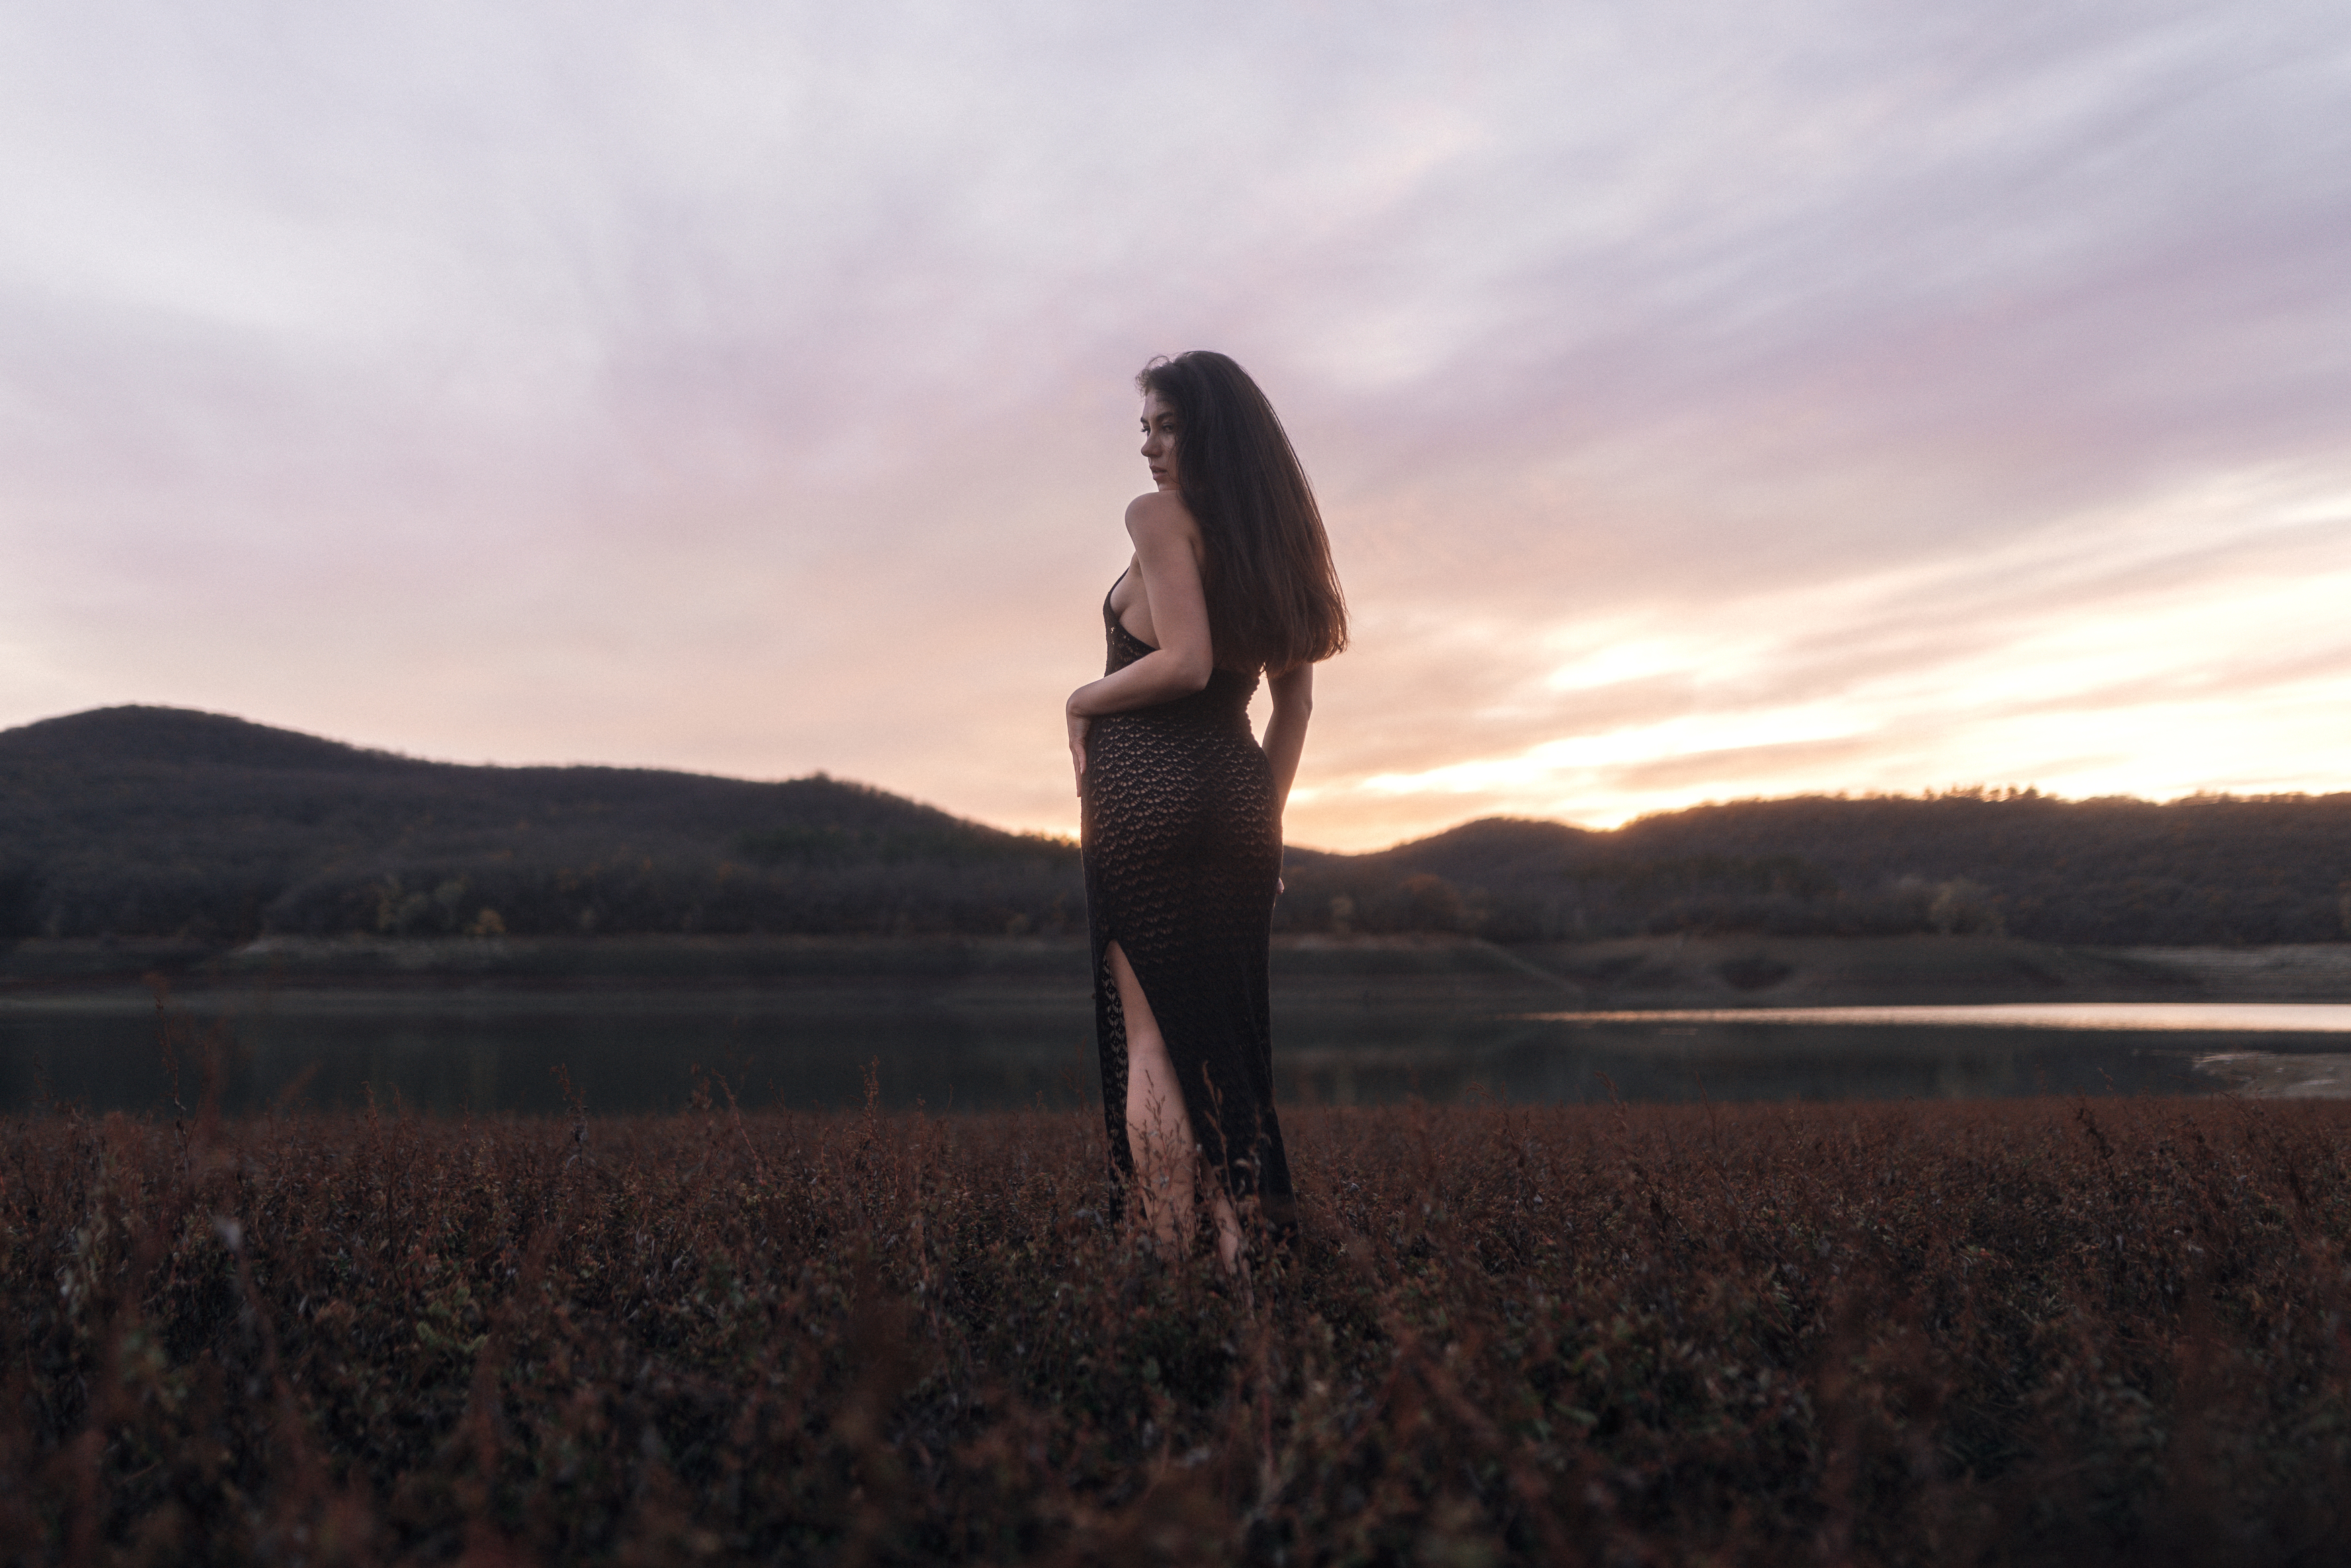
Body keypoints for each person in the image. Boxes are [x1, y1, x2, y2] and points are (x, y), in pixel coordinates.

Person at [1064, 350, 1348, 1276]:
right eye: (1145, 427)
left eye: (1167, 425)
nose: (1147, 446)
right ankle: (1236, 1252)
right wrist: (1261, 823)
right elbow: (1293, 707)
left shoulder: (1157, 520)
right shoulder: (1279, 539)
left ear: (1209, 428)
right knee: (1224, 1036)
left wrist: (1081, 699)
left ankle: (1164, 1246)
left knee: (1152, 1032)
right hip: (1238, 796)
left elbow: (1184, 664)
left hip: (1148, 797)